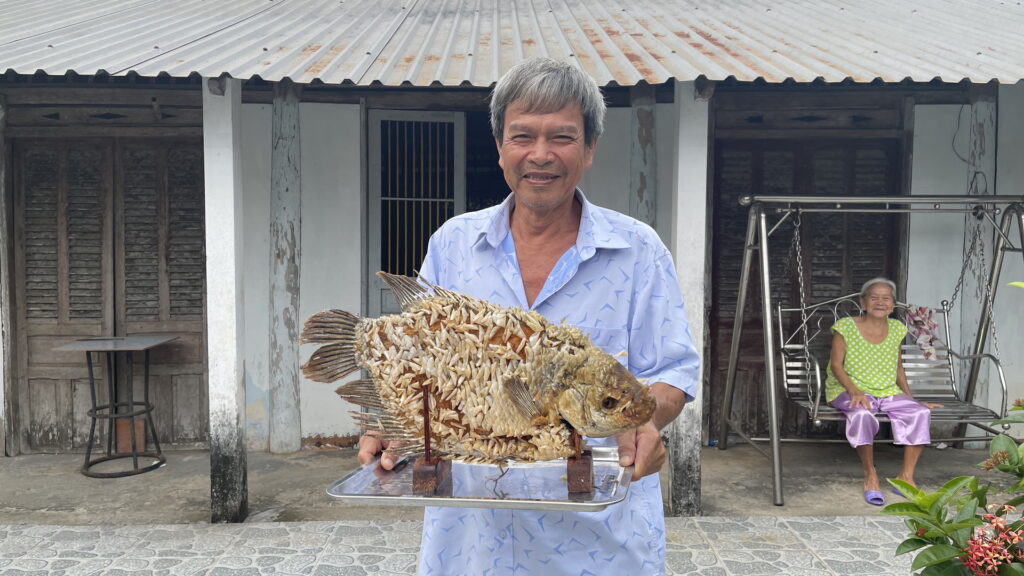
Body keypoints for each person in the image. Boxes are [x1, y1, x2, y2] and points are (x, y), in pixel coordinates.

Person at [357, 57, 700, 575]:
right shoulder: (454, 245)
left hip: (599, 544)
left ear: (589, 150)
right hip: (472, 543)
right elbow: (416, 357)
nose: (540, 155)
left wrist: (647, 423)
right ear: (499, 148)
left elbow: (672, 370)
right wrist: (396, 427)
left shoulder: (637, 251)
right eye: (522, 136)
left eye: (562, 137)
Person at [825, 277, 942, 506]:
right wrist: (854, 391)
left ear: (892, 304)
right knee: (861, 414)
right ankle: (870, 474)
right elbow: (836, 365)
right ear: (863, 302)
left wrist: (911, 399)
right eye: (874, 297)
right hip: (848, 388)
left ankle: (906, 478)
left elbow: (897, 366)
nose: (880, 302)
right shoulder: (845, 326)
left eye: (886, 298)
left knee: (919, 413)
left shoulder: (897, 328)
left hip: (887, 390)